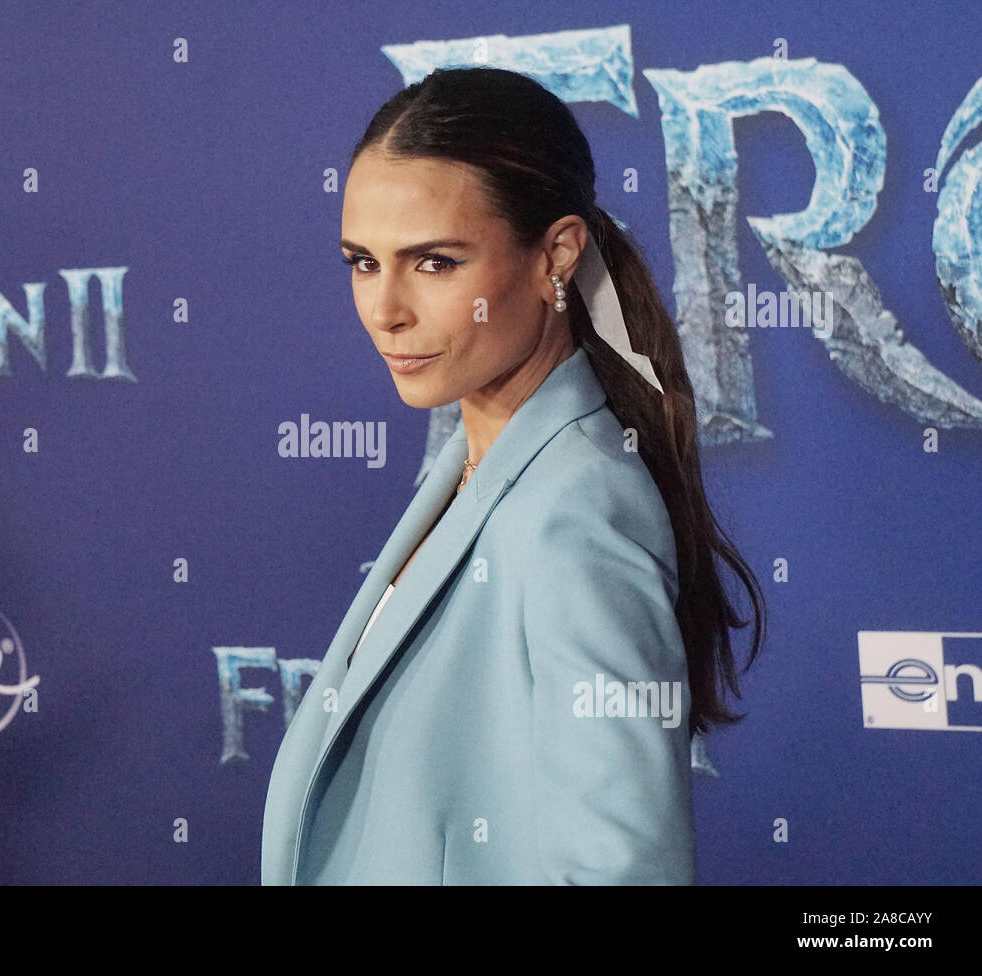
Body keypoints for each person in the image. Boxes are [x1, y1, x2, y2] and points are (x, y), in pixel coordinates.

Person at [261, 66, 765, 885]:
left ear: (555, 258)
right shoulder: (479, 470)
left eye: (434, 263)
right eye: (361, 261)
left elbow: (626, 871)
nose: (384, 308)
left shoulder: (579, 510)